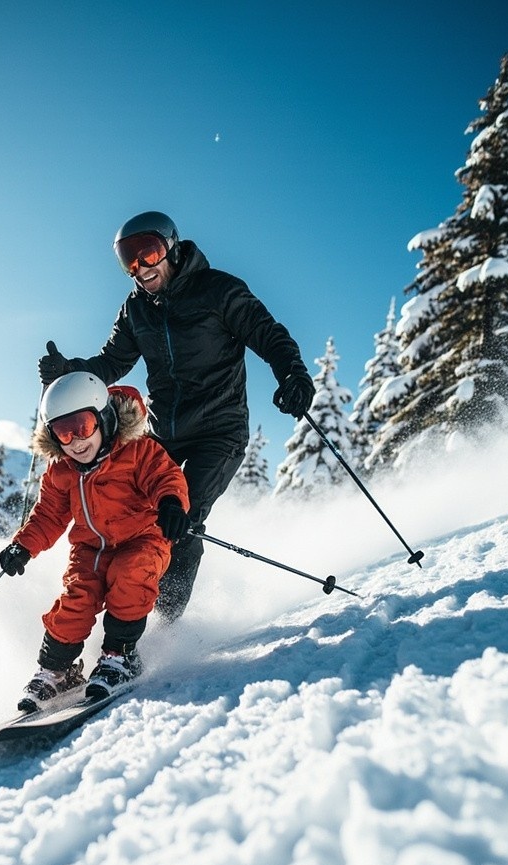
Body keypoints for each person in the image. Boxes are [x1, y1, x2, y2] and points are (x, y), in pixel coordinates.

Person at [38, 210, 315, 621]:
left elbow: (267, 333)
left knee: (180, 519)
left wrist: (292, 373)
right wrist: (71, 371)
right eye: (128, 260)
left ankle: (166, 626)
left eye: (147, 253)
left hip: (219, 431)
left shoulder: (218, 290)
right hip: (164, 430)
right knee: (135, 514)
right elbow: (112, 362)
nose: (140, 268)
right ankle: (118, 610)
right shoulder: (136, 309)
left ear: (172, 247)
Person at [0, 371, 190, 713]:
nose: (74, 441)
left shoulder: (137, 451)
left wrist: (171, 504)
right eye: (63, 431)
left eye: (82, 426)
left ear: (103, 417)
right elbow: (48, 516)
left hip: (143, 540)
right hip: (90, 550)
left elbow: (166, 477)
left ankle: (120, 657)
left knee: (131, 576)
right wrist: (23, 546)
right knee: (77, 598)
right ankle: (57, 671)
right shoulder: (61, 471)